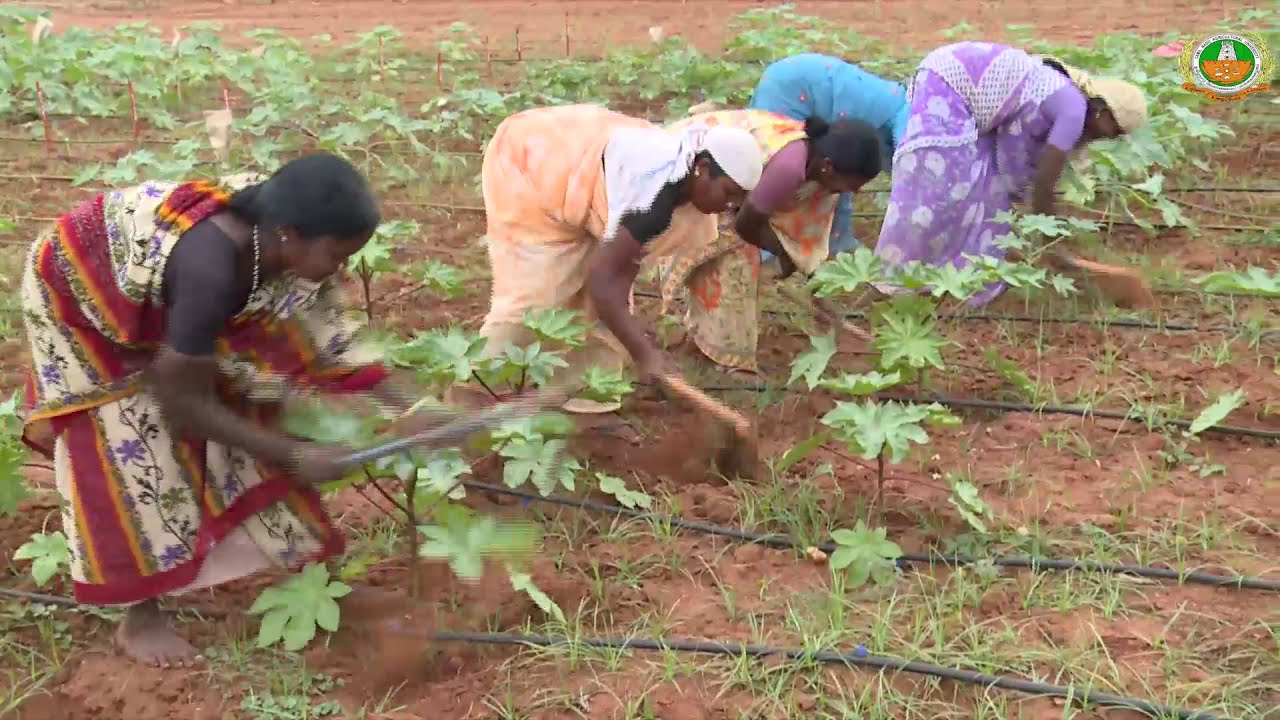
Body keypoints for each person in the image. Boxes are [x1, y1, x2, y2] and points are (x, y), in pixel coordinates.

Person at [19, 153, 425, 667]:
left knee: (257, 402)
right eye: (337, 255)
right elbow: (181, 404)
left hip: (177, 302)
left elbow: (328, 336)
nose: (341, 269)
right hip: (83, 300)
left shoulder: (281, 235)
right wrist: (291, 453)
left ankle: (318, 585)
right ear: (291, 235)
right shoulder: (210, 263)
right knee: (133, 441)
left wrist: (415, 406)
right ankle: (139, 615)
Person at [477, 104, 764, 415]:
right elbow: (605, 285)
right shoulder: (652, 197)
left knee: (603, 300)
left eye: (739, 199)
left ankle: (588, 403)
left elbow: (614, 279)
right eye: (729, 192)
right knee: (538, 300)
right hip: (532, 160)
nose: (730, 205)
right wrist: (645, 355)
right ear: (703, 168)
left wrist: (641, 347)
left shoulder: (682, 185)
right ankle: (472, 391)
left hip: (589, 156)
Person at [873, 41, 1149, 306]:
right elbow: (1044, 181)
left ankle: (951, 278)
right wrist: (1049, 240)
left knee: (983, 190)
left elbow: (1013, 164)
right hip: (948, 85)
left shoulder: (1066, 97)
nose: (1107, 139)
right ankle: (893, 281)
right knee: (939, 190)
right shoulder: (1073, 112)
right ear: (1103, 114)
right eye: (1115, 132)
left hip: (956, 88)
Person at [657, 110, 884, 376]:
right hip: (689, 174)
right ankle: (728, 356)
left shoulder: (814, 163)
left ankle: (712, 340)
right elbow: (746, 224)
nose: (853, 192)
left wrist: (819, 295)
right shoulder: (789, 168)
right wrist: (782, 254)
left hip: (724, 183)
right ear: (828, 166)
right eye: (851, 184)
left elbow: (804, 237)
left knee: (740, 253)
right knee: (738, 262)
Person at [748, 52, 909, 258]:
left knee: (836, 178)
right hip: (793, 88)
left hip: (802, 78)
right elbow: (913, 182)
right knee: (780, 171)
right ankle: (769, 251)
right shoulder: (914, 127)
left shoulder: (902, 114)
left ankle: (830, 243)